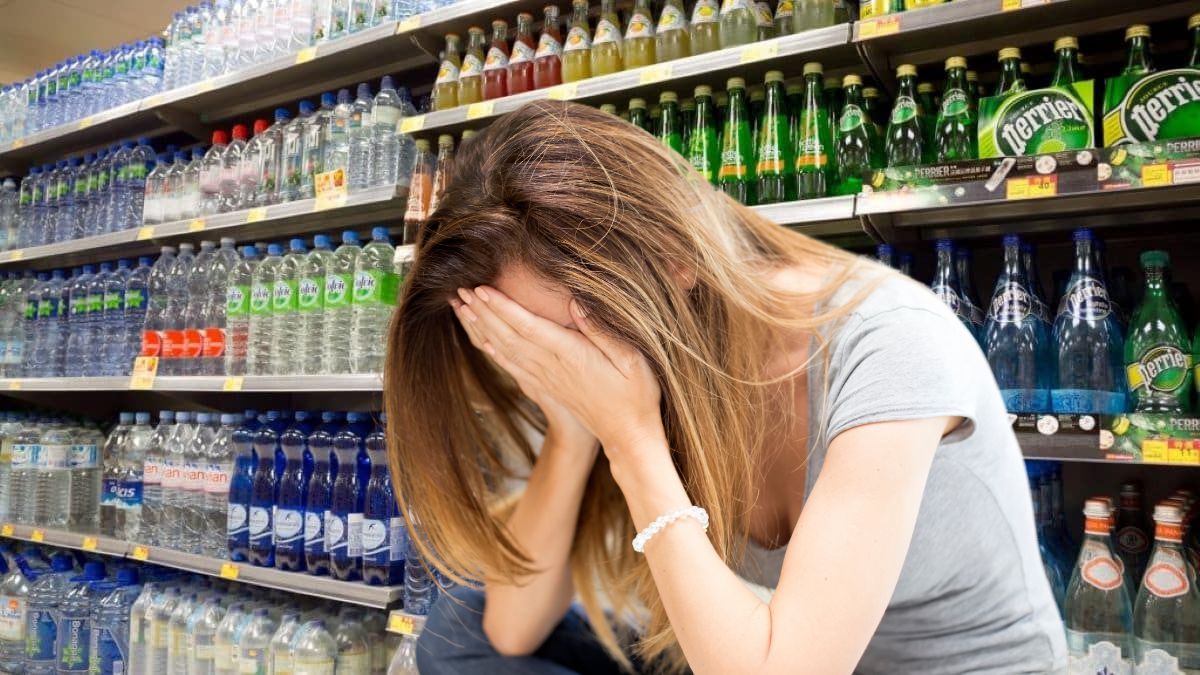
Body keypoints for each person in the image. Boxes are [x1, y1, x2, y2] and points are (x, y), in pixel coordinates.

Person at [385, 101, 1066, 675]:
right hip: (778, 650)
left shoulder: (889, 339)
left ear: (673, 258)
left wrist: (631, 439)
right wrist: (574, 425)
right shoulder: (648, 363)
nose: (556, 362)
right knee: (459, 629)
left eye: (566, 335)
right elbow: (512, 628)